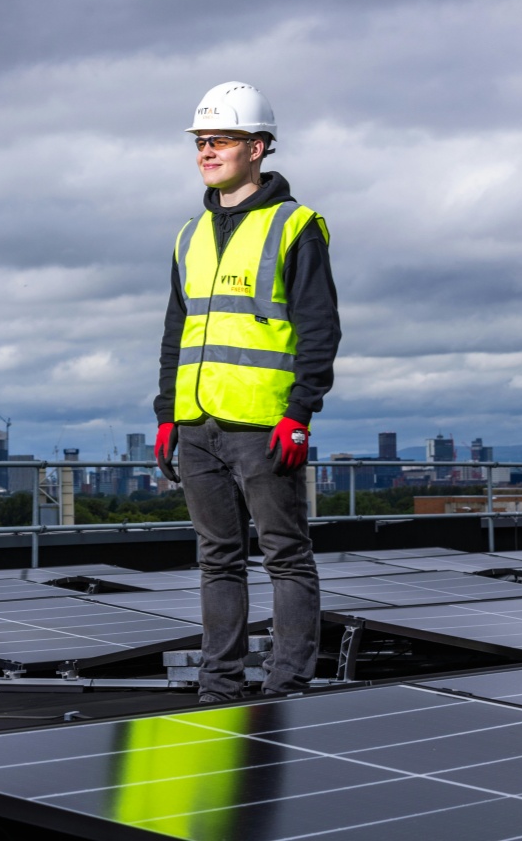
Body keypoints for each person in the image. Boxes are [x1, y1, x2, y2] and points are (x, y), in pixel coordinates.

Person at [153, 81, 341, 702]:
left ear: (257, 147)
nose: (207, 151)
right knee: (217, 562)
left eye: (221, 140)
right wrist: (165, 413)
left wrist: (300, 412)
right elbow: (177, 330)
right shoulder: (189, 235)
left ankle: (287, 686)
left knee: (285, 555)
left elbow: (320, 326)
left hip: (265, 426)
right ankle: (219, 687)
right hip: (196, 426)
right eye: (201, 142)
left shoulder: (296, 226)